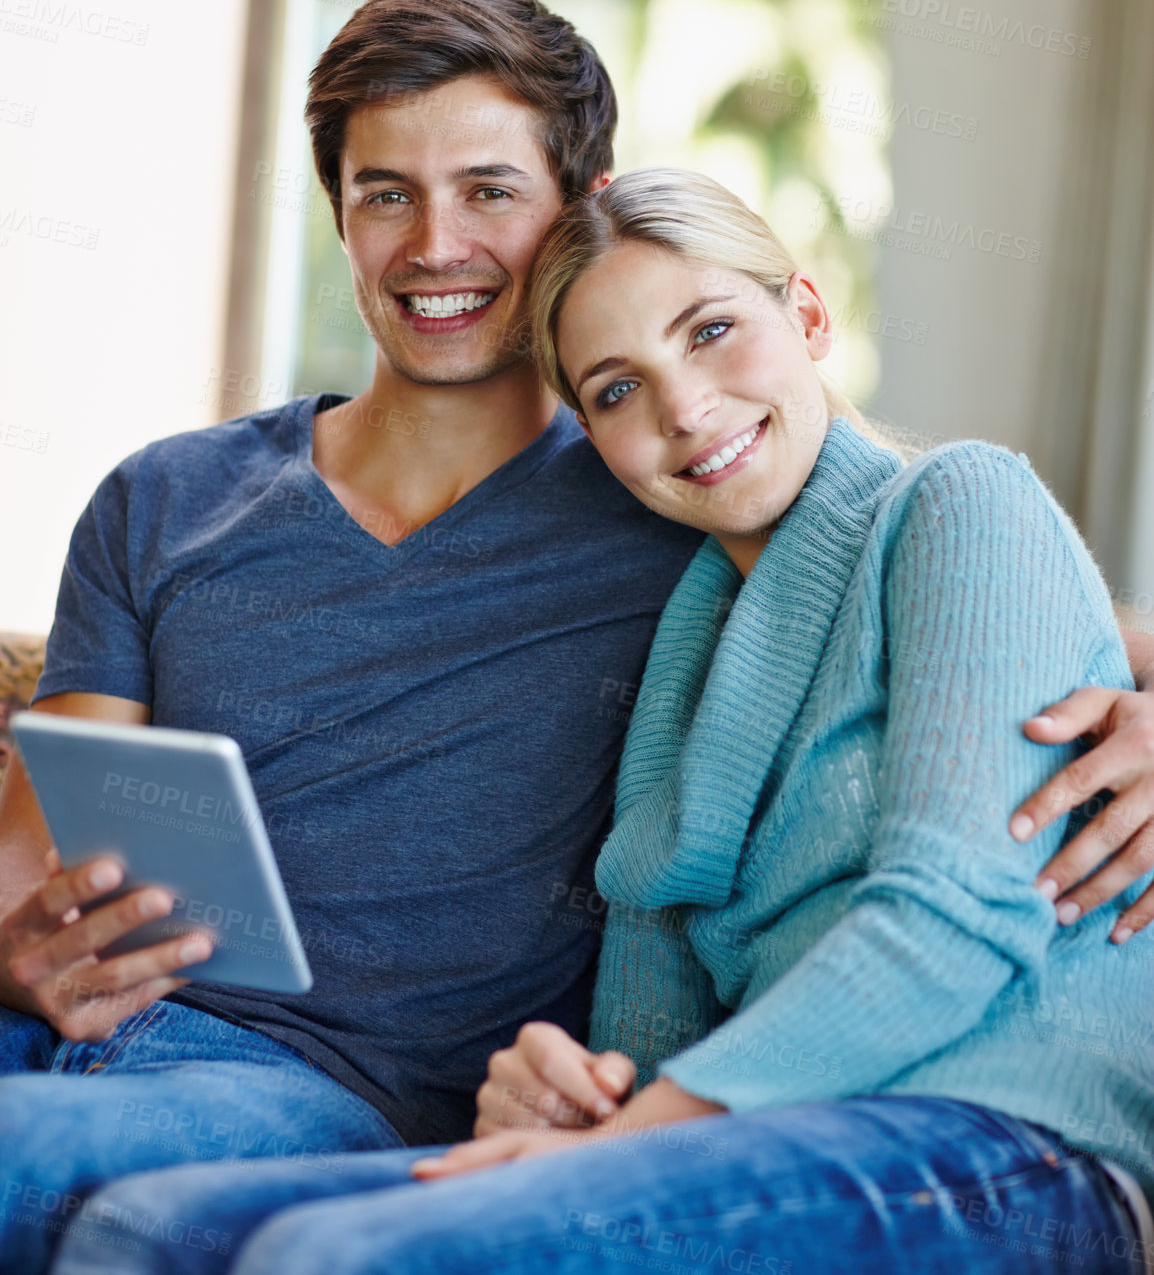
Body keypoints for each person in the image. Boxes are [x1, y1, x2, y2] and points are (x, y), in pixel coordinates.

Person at [56, 169, 1154, 1275]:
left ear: (809, 314)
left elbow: (947, 923)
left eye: (713, 330)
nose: (683, 407)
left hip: (1009, 1143)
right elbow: (647, 1036)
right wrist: (563, 1100)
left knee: (333, 1255)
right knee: (141, 1233)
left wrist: (624, 1141)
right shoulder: (675, 657)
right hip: (763, 1138)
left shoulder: (961, 504)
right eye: (618, 391)